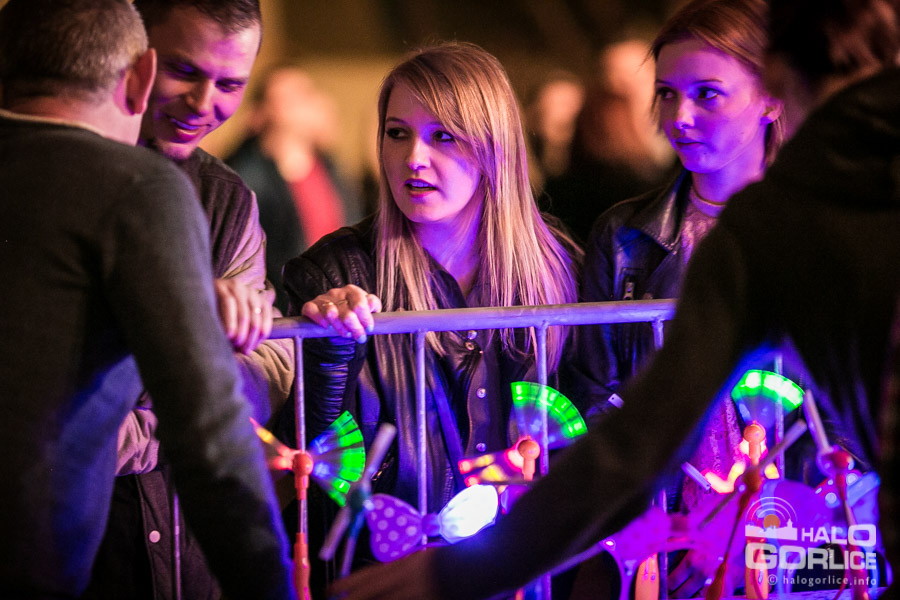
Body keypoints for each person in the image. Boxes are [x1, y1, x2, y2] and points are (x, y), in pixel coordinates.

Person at [329, 0, 900, 597]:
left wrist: (458, 574)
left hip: (811, 529)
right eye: (666, 93)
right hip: (711, 537)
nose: (680, 116)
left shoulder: (795, 223)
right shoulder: (664, 236)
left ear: (776, 89)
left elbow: (641, 441)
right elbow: (626, 424)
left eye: (708, 94)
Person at [0, 1, 295, 598]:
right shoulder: (140, 189)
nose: (203, 102)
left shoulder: (224, 198)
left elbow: (266, 369)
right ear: (139, 68)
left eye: (231, 84)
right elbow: (210, 430)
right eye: (184, 70)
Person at [277, 41, 581, 595]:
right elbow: (307, 465)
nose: (414, 157)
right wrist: (329, 349)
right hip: (387, 574)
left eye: (443, 136)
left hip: (523, 573)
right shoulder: (334, 272)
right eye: (397, 133)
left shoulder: (560, 268)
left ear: (494, 147)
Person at [227, 65, 364, 313]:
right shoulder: (245, 178)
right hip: (282, 314)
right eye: (290, 97)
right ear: (262, 112)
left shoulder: (330, 168)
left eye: (306, 94)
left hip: (337, 310)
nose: (304, 104)